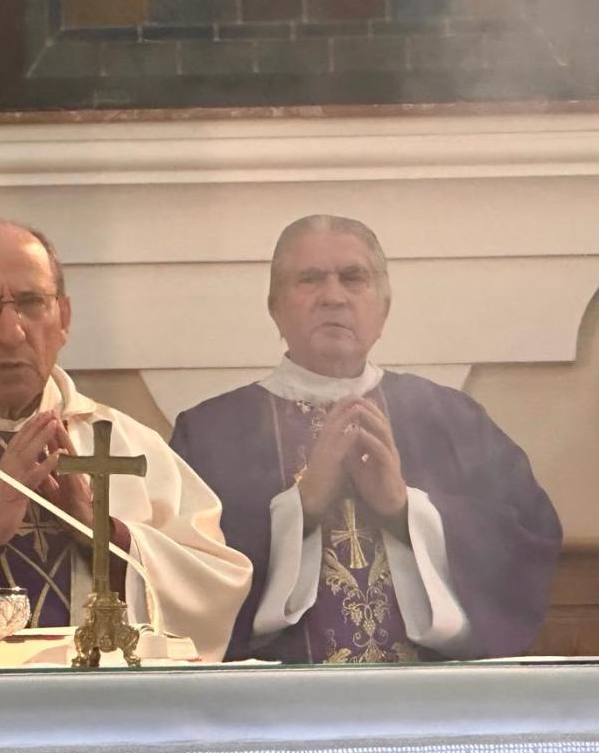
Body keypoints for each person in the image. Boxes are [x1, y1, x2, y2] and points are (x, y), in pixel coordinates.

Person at [171, 214, 562, 663]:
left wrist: (404, 510)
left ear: (383, 308)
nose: (332, 296)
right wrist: (300, 509)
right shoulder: (210, 433)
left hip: (430, 707)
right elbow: (186, 572)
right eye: (309, 279)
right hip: (277, 712)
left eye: (354, 278)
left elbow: (525, 538)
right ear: (275, 307)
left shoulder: (451, 419)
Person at [0, 220, 251, 658]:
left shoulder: (125, 443)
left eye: (30, 302)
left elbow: (217, 585)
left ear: (63, 318)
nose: (10, 332)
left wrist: (105, 534)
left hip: (99, 716)